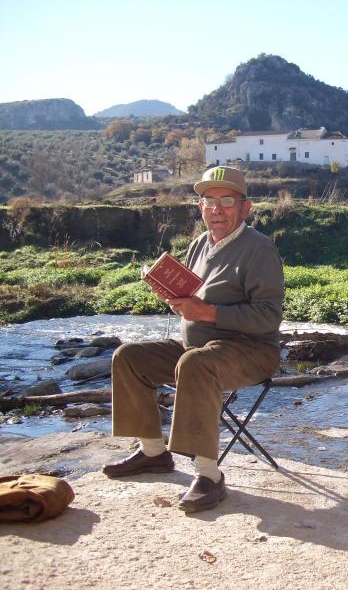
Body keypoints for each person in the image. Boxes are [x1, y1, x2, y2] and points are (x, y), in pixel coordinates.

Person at [102, 166, 284, 513]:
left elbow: (268, 317)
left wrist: (207, 313)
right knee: (128, 356)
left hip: (251, 351)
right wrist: (176, 301)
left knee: (195, 364)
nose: (216, 209)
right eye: (208, 201)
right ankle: (153, 453)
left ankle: (208, 475)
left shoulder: (259, 250)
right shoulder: (200, 244)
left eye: (226, 201)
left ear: (245, 208)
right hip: (198, 348)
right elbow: (192, 303)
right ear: (200, 208)